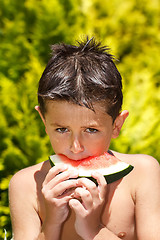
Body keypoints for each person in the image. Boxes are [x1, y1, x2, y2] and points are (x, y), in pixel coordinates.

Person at [9, 37, 160, 240]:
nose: (76, 147)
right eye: (62, 129)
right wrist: (51, 223)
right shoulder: (26, 185)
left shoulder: (142, 173)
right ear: (44, 121)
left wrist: (93, 228)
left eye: (91, 130)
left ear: (116, 125)